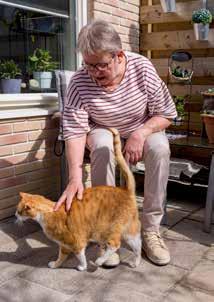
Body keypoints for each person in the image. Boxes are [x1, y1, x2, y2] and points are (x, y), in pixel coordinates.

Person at [54, 19, 177, 266]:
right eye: (88, 65)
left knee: (160, 147)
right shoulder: (80, 82)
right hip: (103, 129)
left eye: (100, 65)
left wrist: (140, 134)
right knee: (101, 143)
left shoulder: (142, 68)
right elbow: (75, 131)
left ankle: (151, 229)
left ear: (119, 55)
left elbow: (166, 114)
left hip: (143, 127)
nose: (93, 72)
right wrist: (76, 176)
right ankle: (108, 234)